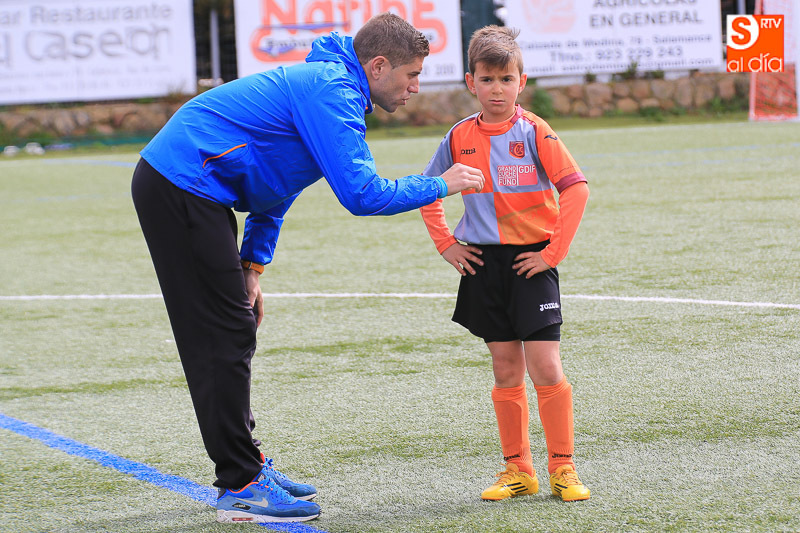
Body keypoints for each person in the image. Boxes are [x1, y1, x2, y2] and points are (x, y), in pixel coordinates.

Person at [131, 13, 485, 524]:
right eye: (411, 75)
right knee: (220, 334)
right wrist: (441, 184)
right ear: (378, 66)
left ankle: (246, 466)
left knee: (236, 327)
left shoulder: (335, 89)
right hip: (180, 183)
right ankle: (240, 482)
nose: (416, 87)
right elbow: (363, 196)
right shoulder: (332, 92)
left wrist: (252, 265)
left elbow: (277, 184)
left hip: (195, 188)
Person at [419, 26, 591, 502]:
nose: (497, 89)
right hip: (483, 264)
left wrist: (552, 253)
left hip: (531, 262)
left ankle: (563, 467)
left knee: (546, 366)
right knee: (505, 368)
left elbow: (576, 189)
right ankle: (518, 470)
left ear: (522, 81)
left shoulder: (535, 131)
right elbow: (427, 190)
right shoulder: (458, 136)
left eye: (506, 79)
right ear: (470, 82)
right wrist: (446, 244)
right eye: (487, 79)